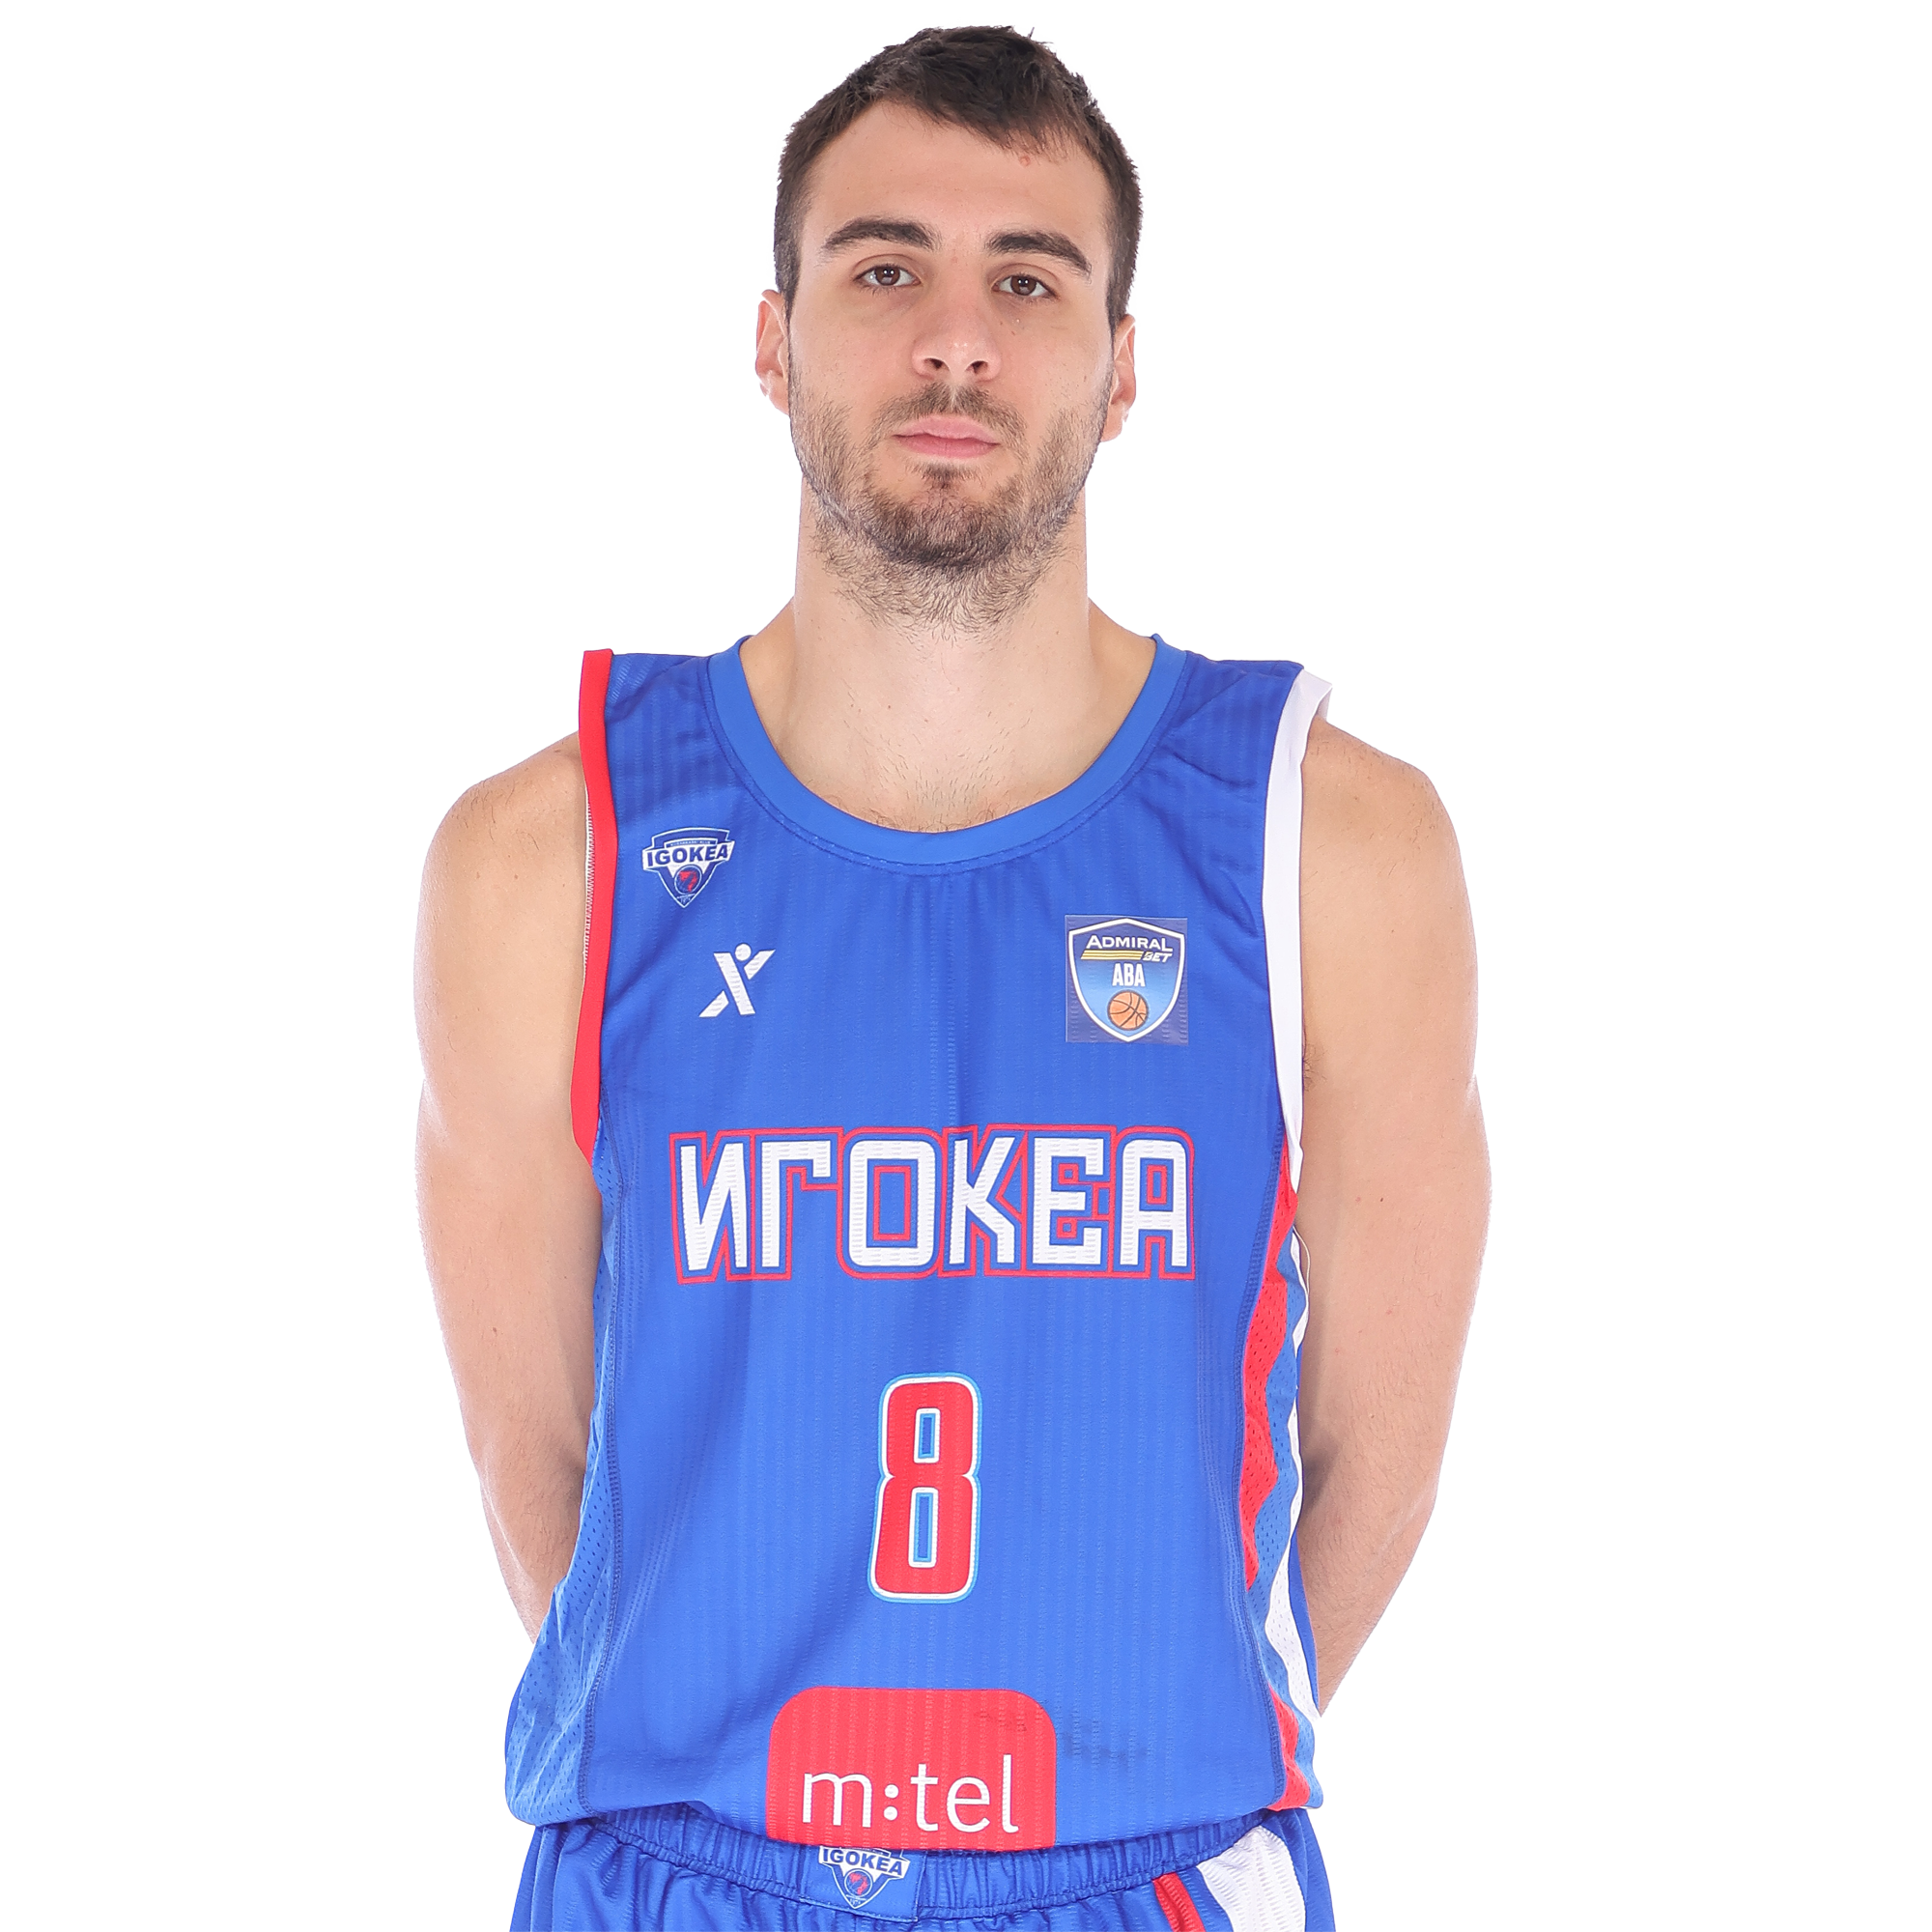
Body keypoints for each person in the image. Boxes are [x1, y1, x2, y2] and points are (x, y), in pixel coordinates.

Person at [415, 25, 1489, 1932]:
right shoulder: (546, 858)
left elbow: (1374, 1452)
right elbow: (543, 1468)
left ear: (1122, 365)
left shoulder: (1329, 845)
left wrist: (1131, 1770)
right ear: (773, 341)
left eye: (1030, 281)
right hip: (681, 1872)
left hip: (1142, 1875)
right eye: (885, 269)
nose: (956, 342)